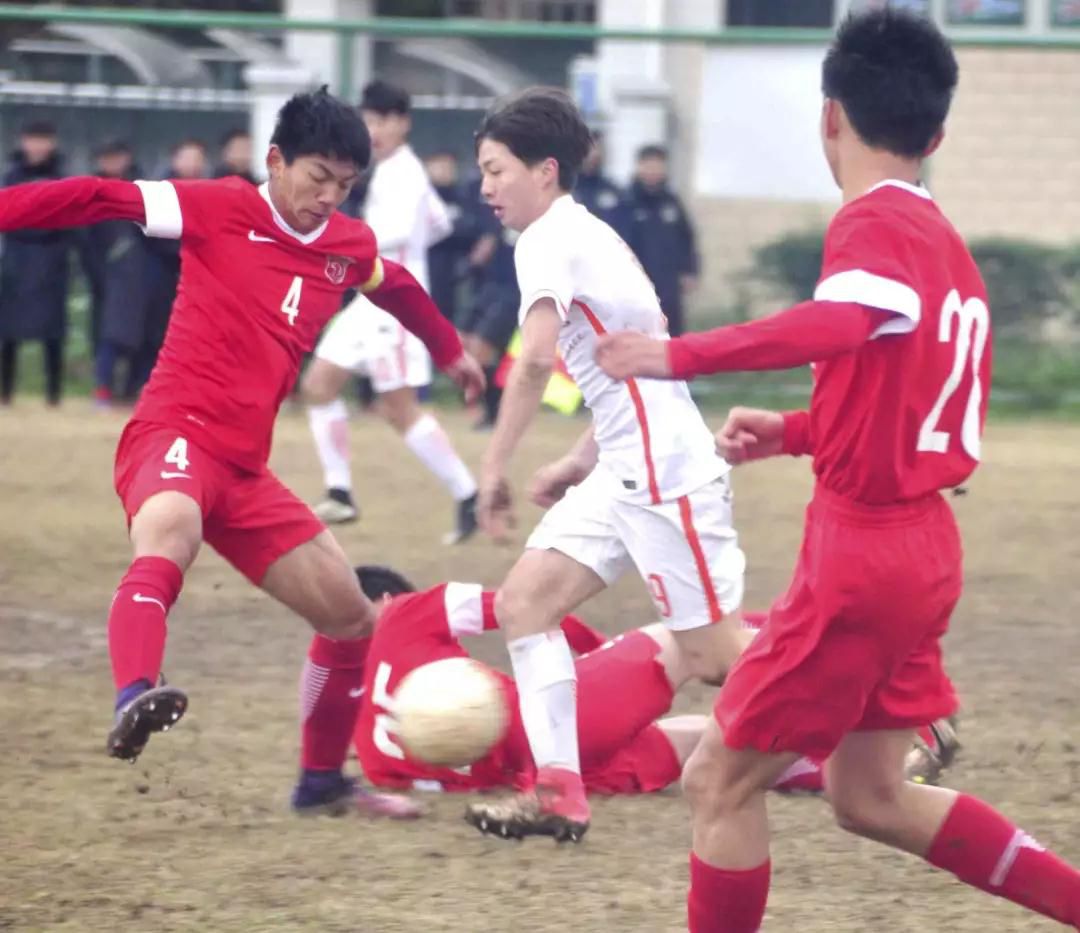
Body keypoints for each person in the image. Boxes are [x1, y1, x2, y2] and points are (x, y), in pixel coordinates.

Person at [594, 10, 1080, 930]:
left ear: (829, 116)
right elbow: (907, 400)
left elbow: (842, 323)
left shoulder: (873, 227)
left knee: (717, 780)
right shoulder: (949, 253)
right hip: (924, 546)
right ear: (936, 135)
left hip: (861, 556)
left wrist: (677, 355)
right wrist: (791, 429)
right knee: (870, 795)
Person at [0, 87, 484, 818]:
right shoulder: (219, 206)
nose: (328, 197)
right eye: (317, 177)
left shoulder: (346, 246)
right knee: (170, 536)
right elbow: (99, 196)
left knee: (351, 617)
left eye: (345, 185)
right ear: (275, 160)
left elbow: (398, 285)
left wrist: (450, 351)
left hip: (246, 472)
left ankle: (321, 784)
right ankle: (135, 695)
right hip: (173, 435)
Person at [468, 87, 752, 843]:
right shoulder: (581, 232)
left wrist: (493, 465)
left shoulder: (548, 240)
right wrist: (577, 456)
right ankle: (559, 791)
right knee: (525, 603)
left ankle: (894, 715)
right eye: (483, 172)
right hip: (625, 467)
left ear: (545, 169)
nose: (487, 187)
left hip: (663, 474)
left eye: (497, 170)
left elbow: (531, 364)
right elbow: (622, 368)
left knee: (715, 655)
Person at [352, 566, 958, 800]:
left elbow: (401, 794)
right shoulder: (403, 612)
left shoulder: (375, 752)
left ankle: (840, 774)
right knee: (688, 641)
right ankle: (856, 668)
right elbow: (518, 606)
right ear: (387, 598)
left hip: (536, 776)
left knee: (704, 744)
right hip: (557, 728)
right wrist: (594, 655)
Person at [303, 80, 479, 544]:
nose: (372, 130)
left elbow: (394, 236)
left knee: (397, 409)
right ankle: (339, 491)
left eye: (381, 121)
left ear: (403, 122)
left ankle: (468, 494)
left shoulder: (403, 173)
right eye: (368, 120)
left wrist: (332, 241)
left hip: (391, 305)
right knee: (318, 386)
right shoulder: (391, 170)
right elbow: (438, 224)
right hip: (370, 299)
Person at [82, 139, 159, 406]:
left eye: (117, 157)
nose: (112, 163)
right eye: (107, 158)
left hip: (144, 275)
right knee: (112, 335)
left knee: (146, 335)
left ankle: (132, 388)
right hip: (109, 277)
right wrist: (99, 276)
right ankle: (103, 388)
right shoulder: (91, 190)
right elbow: (85, 240)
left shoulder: (145, 189)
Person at [0, 121, 71, 406]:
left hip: (51, 259)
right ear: (23, 141)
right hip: (15, 258)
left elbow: (70, 219)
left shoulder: (62, 178)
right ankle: (5, 392)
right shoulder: (10, 177)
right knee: (7, 330)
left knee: (52, 332)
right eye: (33, 139)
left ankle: (54, 395)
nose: (38, 146)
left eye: (44, 139)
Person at [623, 144, 699, 337]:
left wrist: (690, 271)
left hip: (668, 284)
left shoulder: (672, 203)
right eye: (648, 165)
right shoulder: (626, 202)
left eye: (658, 165)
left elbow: (687, 239)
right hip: (633, 284)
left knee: (670, 335)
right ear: (639, 167)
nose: (653, 170)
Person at [573, 131, 628, 236]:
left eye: (599, 148)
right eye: (589, 149)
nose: (594, 154)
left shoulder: (615, 191)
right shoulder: (565, 188)